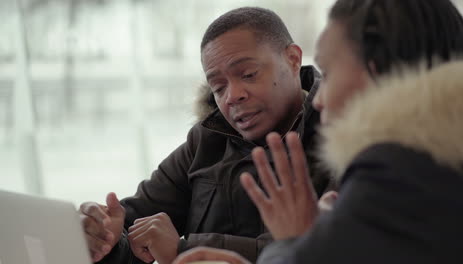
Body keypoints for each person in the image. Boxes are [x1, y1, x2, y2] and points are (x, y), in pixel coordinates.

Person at [173, 0, 463, 263]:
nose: (319, 98)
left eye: (328, 72)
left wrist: (297, 242)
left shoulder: (393, 174)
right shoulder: (434, 164)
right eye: (218, 87)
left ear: (374, 70)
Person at [78, 7, 334, 264]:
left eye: (248, 74)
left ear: (292, 59)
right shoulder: (206, 140)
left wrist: (183, 250)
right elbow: (134, 229)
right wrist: (103, 237)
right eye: (219, 88)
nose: (232, 96)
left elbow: (324, 250)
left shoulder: (344, 142)